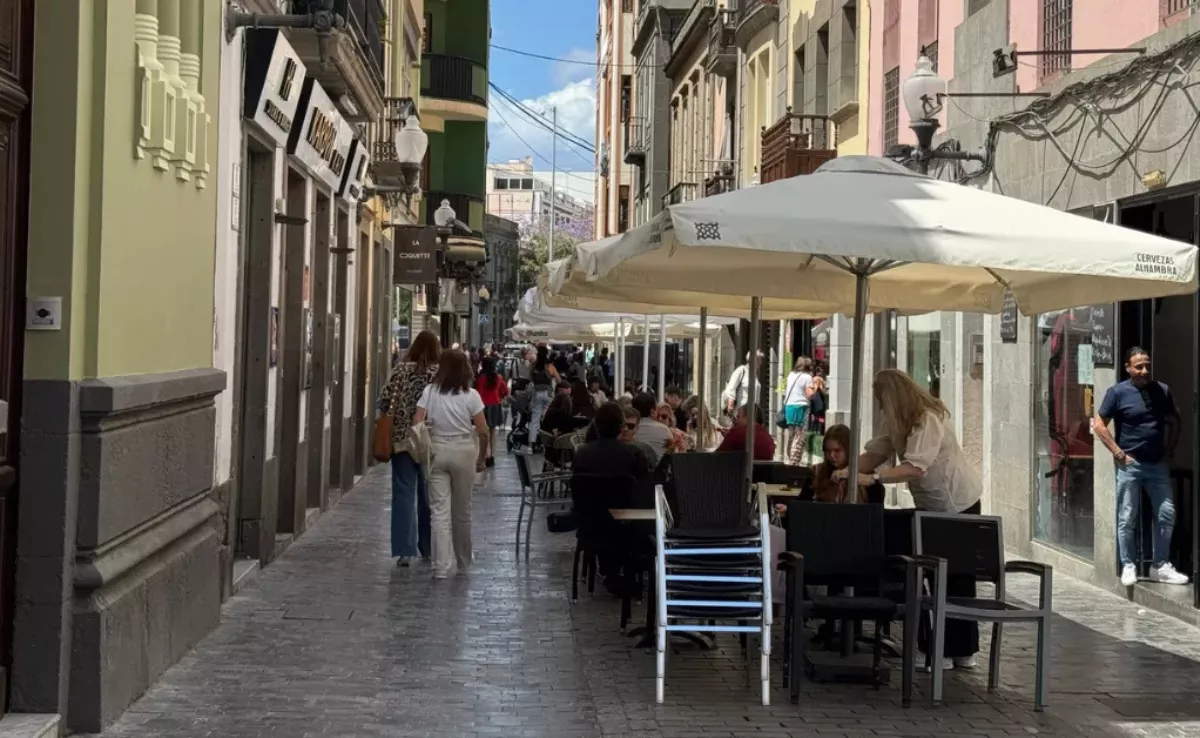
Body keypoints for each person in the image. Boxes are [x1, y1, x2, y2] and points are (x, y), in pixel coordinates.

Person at [839, 368, 982, 670]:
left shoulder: (927, 419)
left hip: (956, 503)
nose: (878, 404)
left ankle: (950, 650)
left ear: (891, 397)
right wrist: (846, 470)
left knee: (954, 578)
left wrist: (872, 478)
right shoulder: (895, 421)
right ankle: (945, 649)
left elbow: (915, 467)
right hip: (931, 505)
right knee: (937, 576)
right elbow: (876, 452)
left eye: (880, 398)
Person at [1094, 346, 1188, 586]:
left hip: (1157, 465)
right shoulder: (1117, 393)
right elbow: (1099, 424)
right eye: (1139, 366)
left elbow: (1175, 420)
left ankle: (1161, 565)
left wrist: (1170, 449)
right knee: (1127, 517)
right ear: (1128, 368)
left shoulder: (1162, 391)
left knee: (1167, 512)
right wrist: (1117, 452)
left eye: (1147, 365)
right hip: (1130, 465)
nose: (1144, 370)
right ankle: (1128, 564)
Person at [412, 349, 489, 579]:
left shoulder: (430, 392)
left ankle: (440, 567)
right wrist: (482, 457)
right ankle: (463, 560)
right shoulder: (471, 395)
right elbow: (483, 430)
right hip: (464, 451)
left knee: (439, 511)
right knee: (462, 510)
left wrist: (428, 429)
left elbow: (417, 421)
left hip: (436, 450)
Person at [378, 330, 439, 567]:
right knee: (429, 495)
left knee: (403, 494)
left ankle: (404, 551)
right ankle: (428, 547)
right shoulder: (438, 374)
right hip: (430, 441)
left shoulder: (401, 371)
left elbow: (383, 401)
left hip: (402, 440)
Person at [801, 424, 881, 503]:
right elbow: (802, 504)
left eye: (837, 451)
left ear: (848, 450)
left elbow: (876, 510)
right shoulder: (816, 473)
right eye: (828, 451)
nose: (832, 455)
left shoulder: (867, 476)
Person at [573, 402, 650, 480]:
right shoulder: (636, 454)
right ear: (621, 427)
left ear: (596, 426)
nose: (626, 429)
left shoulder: (581, 453)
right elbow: (643, 488)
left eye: (630, 426)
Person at [474, 355, 508, 468]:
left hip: (482, 406)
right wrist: (500, 397)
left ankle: (486, 455)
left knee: (483, 432)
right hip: (495, 405)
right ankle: (492, 455)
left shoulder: (480, 378)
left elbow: (477, 393)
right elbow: (505, 391)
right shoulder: (498, 377)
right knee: (493, 431)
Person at [783, 357, 815, 465]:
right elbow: (810, 394)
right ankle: (794, 461)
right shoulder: (807, 377)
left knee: (792, 434)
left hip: (789, 407)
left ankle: (789, 457)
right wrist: (816, 387)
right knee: (799, 435)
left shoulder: (791, 375)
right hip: (801, 407)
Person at [528, 345, 559, 451]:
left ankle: (532, 443)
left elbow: (531, 378)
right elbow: (558, 380)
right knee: (548, 418)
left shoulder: (533, 365)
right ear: (547, 354)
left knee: (535, 419)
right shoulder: (549, 366)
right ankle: (546, 442)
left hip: (537, 393)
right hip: (548, 393)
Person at [631, 392, 675, 466]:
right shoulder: (664, 429)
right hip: (657, 474)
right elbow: (672, 453)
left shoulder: (628, 429)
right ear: (652, 409)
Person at [723, 350, 765, 416]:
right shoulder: (741, 371)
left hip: (753, 412)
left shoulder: (754, 374)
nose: (761, 362)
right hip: (741, 412)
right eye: (759, 360)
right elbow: (731, 387)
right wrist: (730, 403)